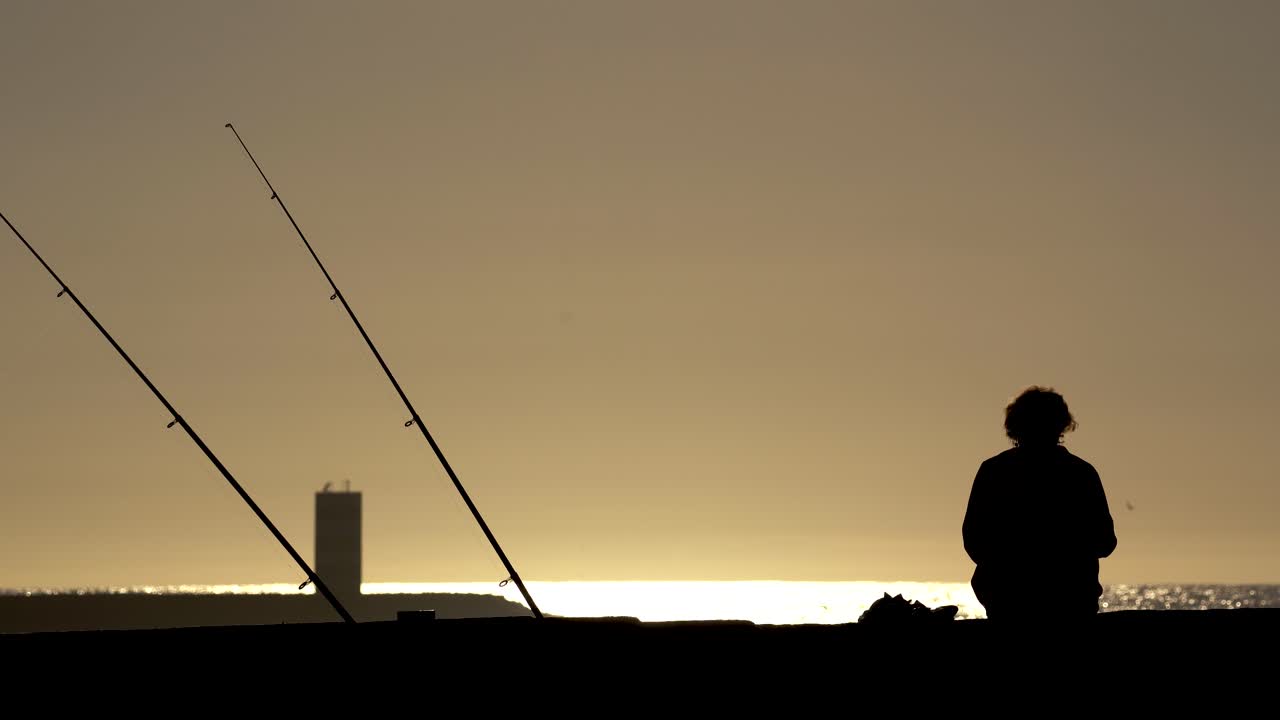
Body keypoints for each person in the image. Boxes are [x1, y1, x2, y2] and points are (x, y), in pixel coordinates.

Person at [962, 387, 1117, 621]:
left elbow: (974, 540)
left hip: (1008, 601)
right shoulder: (1080, 473)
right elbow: (1105, 542)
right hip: (1071, 601)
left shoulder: (994, 471)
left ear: (1014, 425)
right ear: (1062, 425)